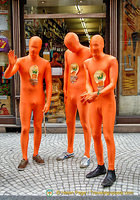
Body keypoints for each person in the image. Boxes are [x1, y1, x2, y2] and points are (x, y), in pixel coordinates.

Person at [4, 36, 52, 171]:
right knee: (25, 128)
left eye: (36, 47)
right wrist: (11, 64)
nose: (33, 49)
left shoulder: (45, 63)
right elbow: (7, 75)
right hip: (26, 100)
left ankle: (35, 153)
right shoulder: (21, 61)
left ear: (40, 48)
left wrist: (48, 101)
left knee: (38, 127)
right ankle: (24, 157)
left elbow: (49, 84)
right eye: (31, 46)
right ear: (28, 45)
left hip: (39, 100)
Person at [81, 35, 118, 187]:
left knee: (108, 135)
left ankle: (111, 170)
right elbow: (88, 82)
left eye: (96, 45)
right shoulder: (87, 63)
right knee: (95, 134)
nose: (94, 48)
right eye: (91, 45)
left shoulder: (111, 60)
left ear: (103, 45)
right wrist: (90, 92)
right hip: (93, 104)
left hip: (107, 102)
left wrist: (96, 93)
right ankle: (101, 166)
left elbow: (112, 84)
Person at [56, 32, 92, 168]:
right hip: (70, 94)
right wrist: (65, 91)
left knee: (85, 124)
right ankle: (70, 150)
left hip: (83, 94)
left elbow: (94, 71)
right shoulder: (67, 54)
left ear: (77, 42)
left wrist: (91, 92)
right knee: (69, 122)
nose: (71, 49)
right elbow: (66, 71)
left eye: (72, 46)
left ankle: (87, 154)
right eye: (68, 47)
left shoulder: (88, 52)